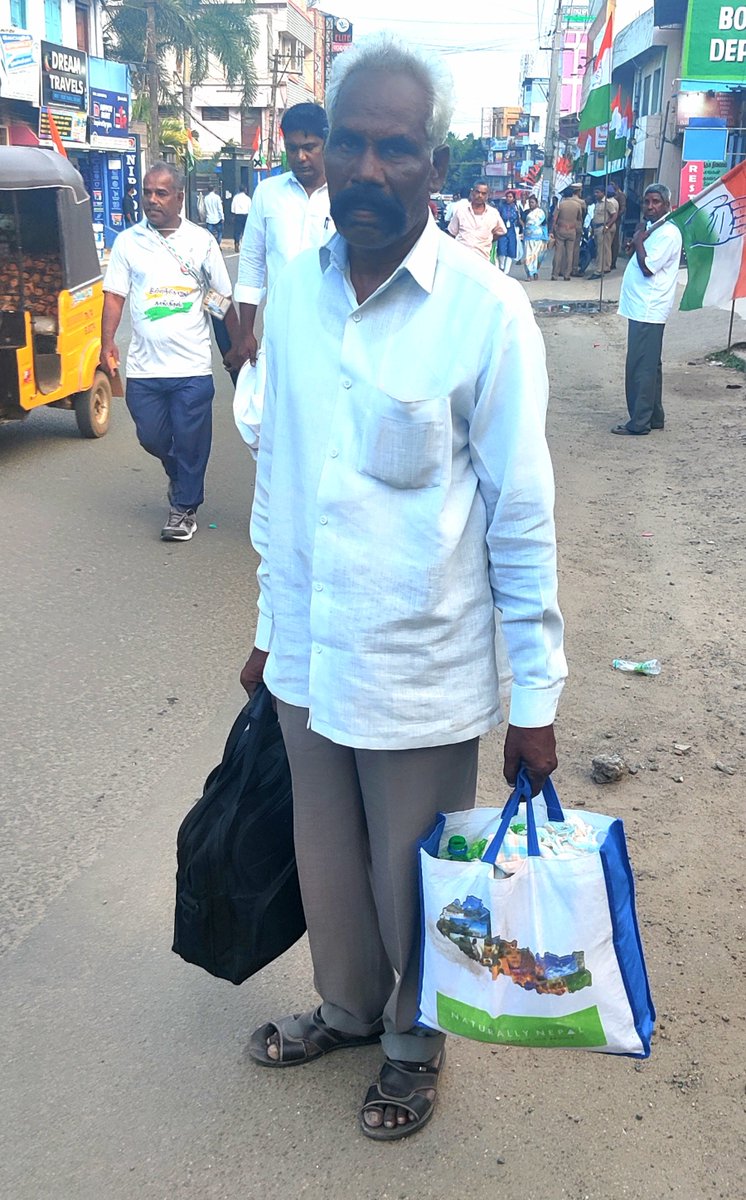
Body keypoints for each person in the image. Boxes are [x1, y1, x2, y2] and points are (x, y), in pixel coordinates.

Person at [240, 34, 566, 1142]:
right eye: (350, 144)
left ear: (435, 165)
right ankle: (342, 1008)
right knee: (324, 861)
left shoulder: (484, 313)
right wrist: (265, 628)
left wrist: (536, 696)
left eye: (397, 148)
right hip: (308, 652)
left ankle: (413, 1040)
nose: (368, 170)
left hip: (419, 661)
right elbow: (280, 476)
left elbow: (520, 516)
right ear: (320, 153)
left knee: (409, 872)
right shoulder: (292, 291)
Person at [101, 162, 238, 541]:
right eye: (147, 192)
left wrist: (235, 346)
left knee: (191, 440)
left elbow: (220, 299)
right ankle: (180, 478)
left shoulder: (201, 242)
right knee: (152, 437)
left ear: (180, 197)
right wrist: (107, 340)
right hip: (144, 368)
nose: (152, 200)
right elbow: (114, 296)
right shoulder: (129, 242)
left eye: (161, 193)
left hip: (191, 366)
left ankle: (184, 509)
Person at [228, 103, 332, 372]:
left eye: (310, 147)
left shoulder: (346, 194)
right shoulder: (268, 192)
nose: (301, 157)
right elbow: (251, 262)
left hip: (334, 331)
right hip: (280, 330)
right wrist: (246, 332)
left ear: (327, 144)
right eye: (293, 148)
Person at [612, 182, 682, 436]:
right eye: (647, 202)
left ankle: (639, 422)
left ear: (667, 205)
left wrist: (640, 241)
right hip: (641, 306)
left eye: (656, 202)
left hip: (649, 307)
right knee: (650, 364)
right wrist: (641, 237)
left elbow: (648, 267)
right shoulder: (654, 228)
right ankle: (654, 416)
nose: (650, 207)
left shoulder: (669, 233)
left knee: (640, 366)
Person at [447, 182, 506, 261]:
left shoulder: (493, 213)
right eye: (477, 192)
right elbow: (451, 233)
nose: (480, 196)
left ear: (487, 195)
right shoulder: (461, 211)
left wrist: (487, 240)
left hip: (482, 259)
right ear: (472, 193)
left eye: (483, 193)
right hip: (461, 258)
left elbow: (500, 232)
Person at [551, 186, 584, 281]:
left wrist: (552, 230)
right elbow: (579, 218)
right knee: (570, 252)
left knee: (558, 252)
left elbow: (554, 218)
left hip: (561, 230)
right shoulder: (577, 205)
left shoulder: (560, 205)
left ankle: (555, 274)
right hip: (572, 230)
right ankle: (567, 275)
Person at [589, 185, 619, 277]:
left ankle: (599, 270)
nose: (596, 194)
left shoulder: (607, 203)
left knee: (601, 250)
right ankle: (603, 267)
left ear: (603, 193)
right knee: (599, 249)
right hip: (597, 228)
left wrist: (607, 226)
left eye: (598, 192)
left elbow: (614, 215)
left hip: (603, 228)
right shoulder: (597, 203)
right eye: (595, 192)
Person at [522, 194, 548, 281]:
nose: (531, 204)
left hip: (538, 238)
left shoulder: (540, 213)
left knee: (536, 256)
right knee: (527, 256)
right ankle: (529, 275)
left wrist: (546, 237)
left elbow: (544, 224)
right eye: (529, 203)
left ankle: (535, 271)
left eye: (532, 202)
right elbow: (521, 221)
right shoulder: (526, 213)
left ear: (536, 203)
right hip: (528, 238)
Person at [495, 188, 522, 273]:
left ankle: (506, 271)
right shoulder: (501, 207)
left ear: (513, 198)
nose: (508, 198)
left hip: (512, 230)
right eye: (507, 196)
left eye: (510, 197)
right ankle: (501, 266)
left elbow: (519, 219)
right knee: (502, 249)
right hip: (502, 229)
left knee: (511, 250)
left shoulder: (516, 208)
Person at [569, 182, 587, 276]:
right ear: (579, 191)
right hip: (577, 226)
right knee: (576, 248)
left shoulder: (566, 200)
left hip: (567, 226)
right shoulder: (582, 202)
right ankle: (574, 269)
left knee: (567, 248)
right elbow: (584, 214)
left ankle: (565, 269)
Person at [610, 181, 627, 269]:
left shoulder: (621, 195)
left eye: (612, 184)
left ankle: (613, 262)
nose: (611, 186)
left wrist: (616, 216)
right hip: (609, 220)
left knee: (615, 242)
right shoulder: (610, 194)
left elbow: (623, 208)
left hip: (616, 221)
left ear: (617, 185)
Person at [230, 185, 251, 251]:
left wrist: (233, 215)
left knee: (237, 231)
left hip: (237, 215)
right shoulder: (248, 198)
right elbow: (250, 208)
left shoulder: (236, 198)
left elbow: (232, 208)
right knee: (245, 231)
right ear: (245, 190)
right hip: (245, 216)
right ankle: (245, 245)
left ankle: (236, 243)